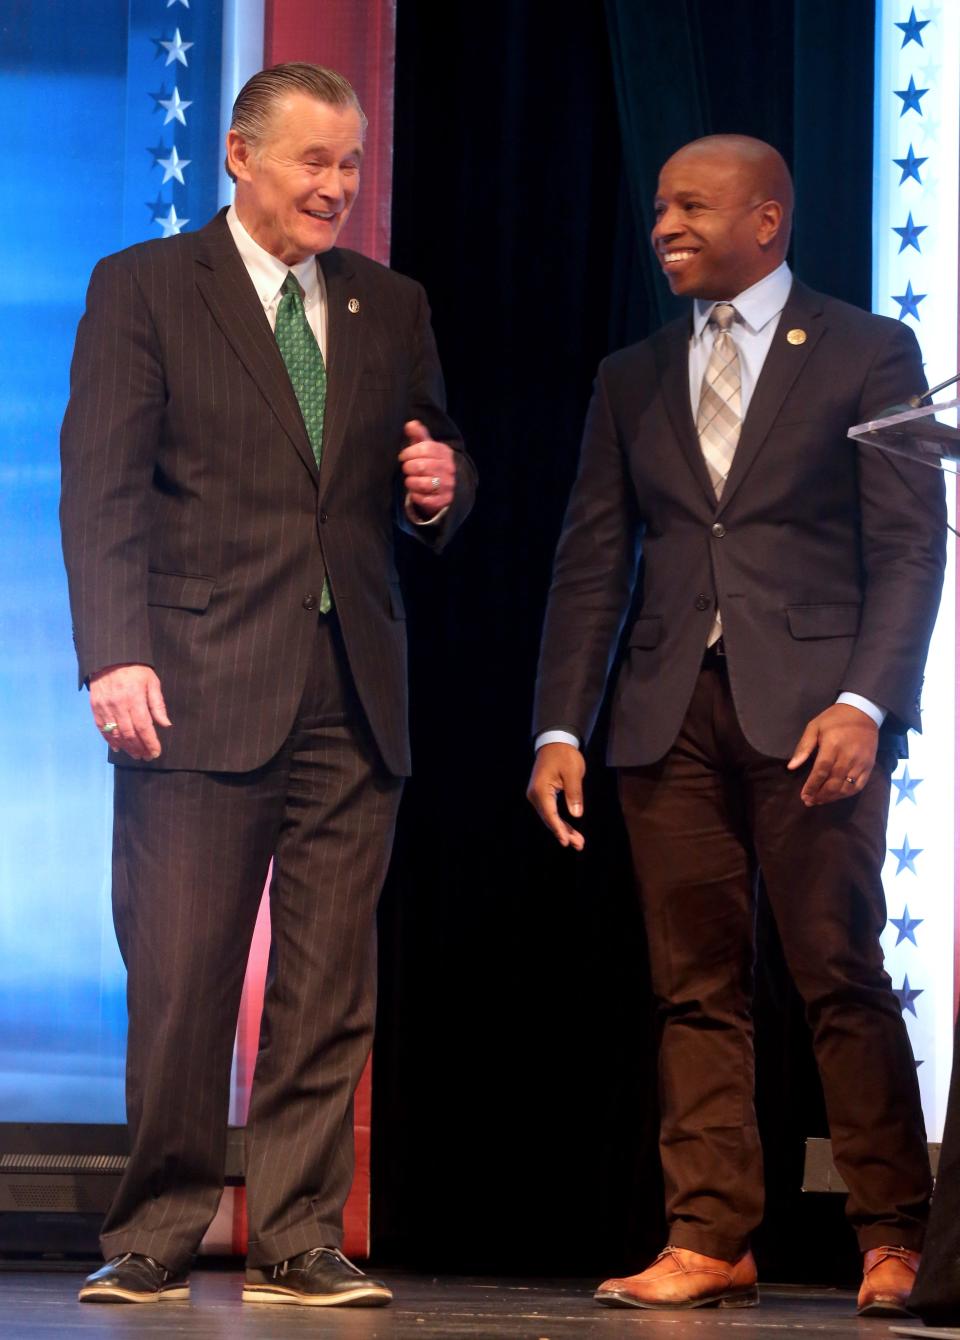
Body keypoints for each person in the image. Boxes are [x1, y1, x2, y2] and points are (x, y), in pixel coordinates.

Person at [60, 62, 475, 1307]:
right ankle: (158, 1226)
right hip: (192, 682)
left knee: (327, 982)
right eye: (312, 161)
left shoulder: (389, 305)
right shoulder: (144, 289)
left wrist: (445, 491)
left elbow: (428, 459)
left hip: (354, 690)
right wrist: (112, 651)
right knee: (184, 970)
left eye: (350, 164)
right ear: (240, 156)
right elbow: (101, 486)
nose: (337, 186)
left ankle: (298, 1232)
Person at [527, 134, 944, 1314]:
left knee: (836, 968)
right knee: (693, 983)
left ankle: (892, 1233)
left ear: (768, 219)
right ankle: (711, 1232)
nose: (664, 224)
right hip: (668, 714)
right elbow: (592, 561)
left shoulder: (872, 350)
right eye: (658, 206)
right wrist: (559, 724)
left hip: (817, 710)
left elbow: (912, 544)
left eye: (692, 206)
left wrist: (868, 700)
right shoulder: (632, 374)